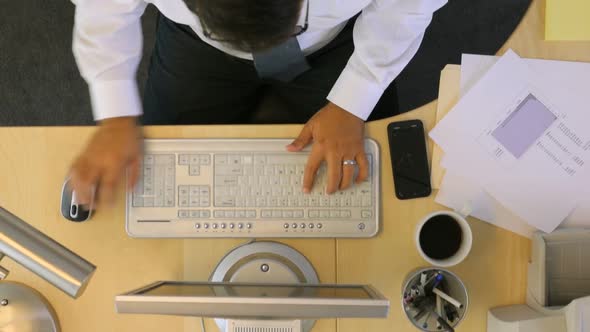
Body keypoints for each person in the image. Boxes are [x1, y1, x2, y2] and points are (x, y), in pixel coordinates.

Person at [69, 0, 447, 206]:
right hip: (201, 44)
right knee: (159, 174)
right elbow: (102, 10)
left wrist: (353, 100)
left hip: (331, 45)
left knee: (374, 185)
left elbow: (407, 7)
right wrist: (115, 115)